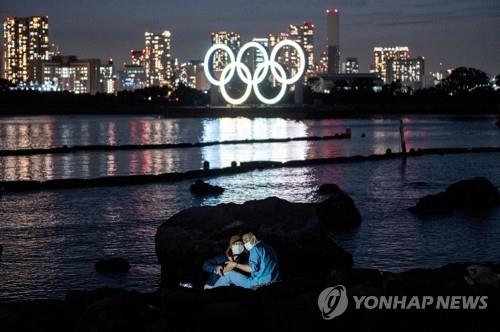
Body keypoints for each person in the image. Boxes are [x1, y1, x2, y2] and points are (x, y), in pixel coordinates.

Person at [212, 230, 281, 289]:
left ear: (253, 237)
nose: (245, 243)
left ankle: (211, 293)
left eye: (246, 240)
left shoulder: (255, 249)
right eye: (244, 242)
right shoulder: (269, 247)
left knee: (228, 275)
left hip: (259, 283)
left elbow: (251, 269)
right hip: (275, 281)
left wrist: (235, 265)